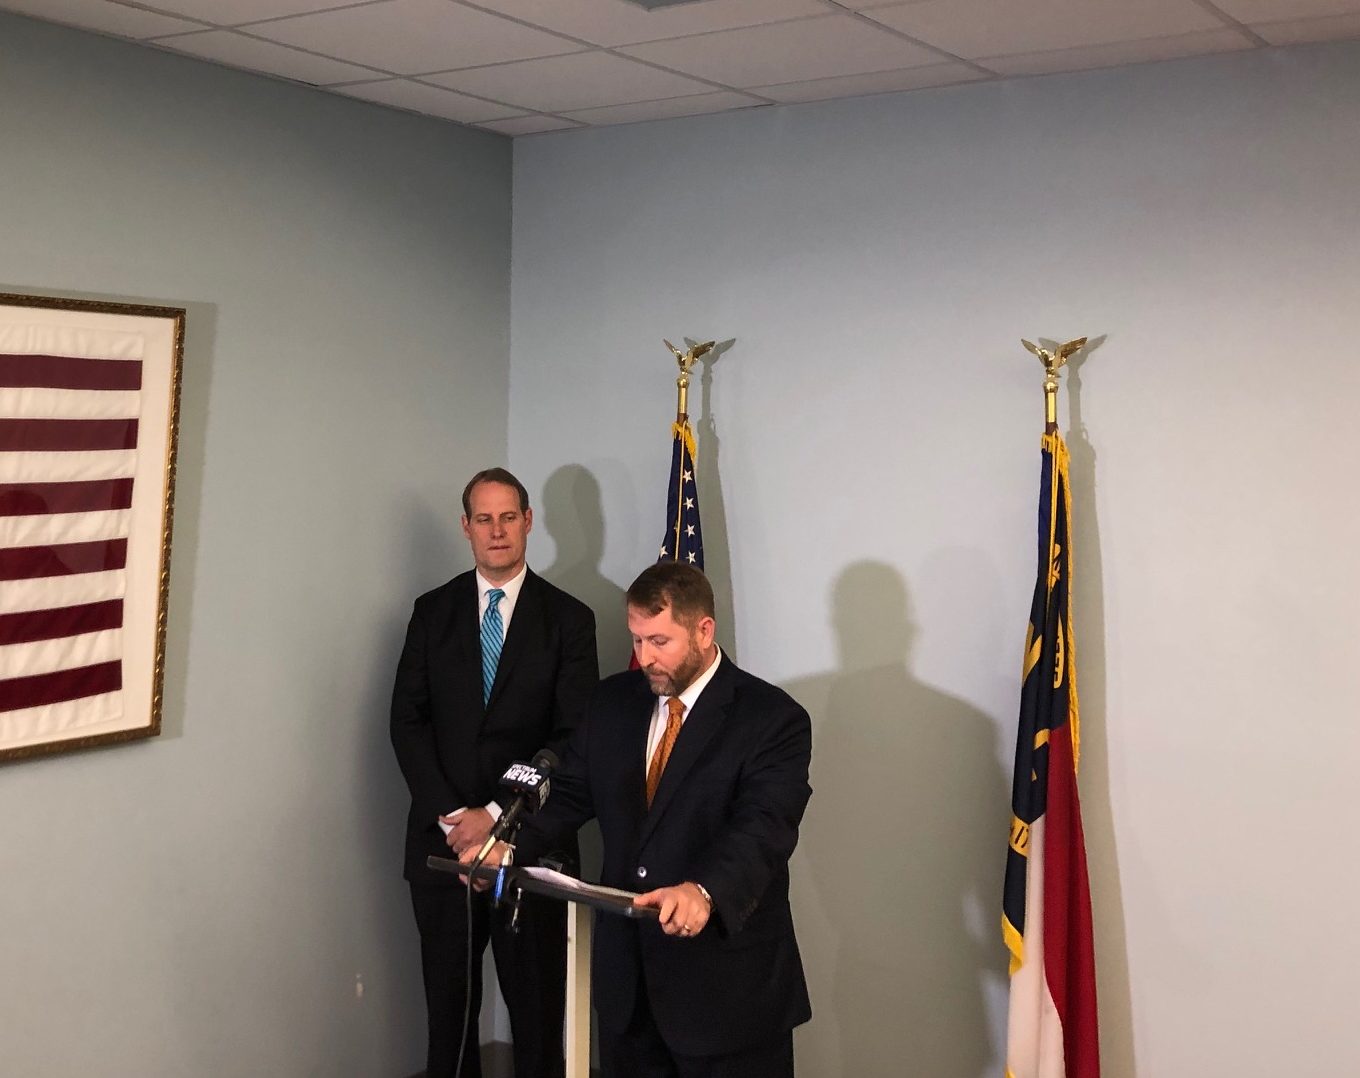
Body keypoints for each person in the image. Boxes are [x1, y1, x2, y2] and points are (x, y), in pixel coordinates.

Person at [463, 561, 812, 1078]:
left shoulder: (771, 718)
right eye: (637, 639)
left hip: (727, 993)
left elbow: (763, 828)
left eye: (659, 641)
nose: (644, 657)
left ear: (703, 630)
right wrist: (506, 845)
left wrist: (704, 890)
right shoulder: (611, 702)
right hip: (629, 990)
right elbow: (571, 791)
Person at [390, 467, 598, 1078]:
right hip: (442, 848)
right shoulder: (431, 613)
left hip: (531, 851)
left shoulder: (569, 620)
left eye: (509, 517)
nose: (497, 530)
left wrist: (496, 818)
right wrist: (457, 819)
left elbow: (572, 738)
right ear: (466, 527)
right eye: (484, 518)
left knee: (537, 1022)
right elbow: (408, 722)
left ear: (529, 522)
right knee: (449, 1024)